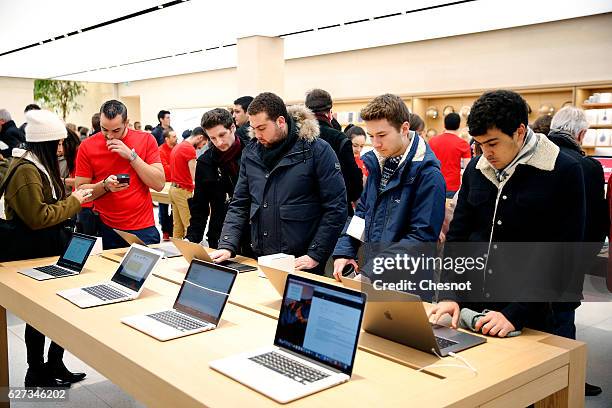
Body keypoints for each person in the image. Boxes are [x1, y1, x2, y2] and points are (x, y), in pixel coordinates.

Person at [429, 90, 586, 339]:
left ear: (520, 131)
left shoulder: (563, 170)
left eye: (493, 143)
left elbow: (564, 254)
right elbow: (458, 237)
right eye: (479, 145)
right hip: (477, 310)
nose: (486, 153)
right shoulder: (476, 169)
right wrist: (450, 293)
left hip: (537, 316)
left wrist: (516, 312)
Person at [209, 92, 347, 275]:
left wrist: (315, 253)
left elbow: (336, 207)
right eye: (253, 128)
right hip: (262, 256)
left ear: (281, 121)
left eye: (262, 128)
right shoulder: (251, 154)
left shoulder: (317, 151)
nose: (257, 135)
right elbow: (240, 203)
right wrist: (227, 244)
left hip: (302, 262)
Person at [2, 109, 91, 387]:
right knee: (39, 317)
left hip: (43, 250)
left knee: (51, 312)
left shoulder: (32, 163)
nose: (62, 149)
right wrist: (74, 201)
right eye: (58, 144)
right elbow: (37, 217)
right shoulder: (27, 171)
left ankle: (52, 365)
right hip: (33, 253)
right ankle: (37, 371)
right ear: (45, 144)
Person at [332, 94, 446, 287]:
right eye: (371, 136)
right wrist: (345, 251)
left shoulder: (429, 176)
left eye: (382, 135)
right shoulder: (379, 165)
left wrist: (373, 271)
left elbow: (421, 238)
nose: (375, 144)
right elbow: (361, 215)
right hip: (371, 277)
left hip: (406, 286)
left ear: (404, 129)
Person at [548, 106, 607, 397]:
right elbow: (596, 221)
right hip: (568, 258)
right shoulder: (588, 167)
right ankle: (568, 383)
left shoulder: (534, 157)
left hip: (528, 256)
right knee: (563, 320)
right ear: (581, 134)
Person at [75, 100, 165, 249]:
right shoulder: (87, 146)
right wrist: (105, 186)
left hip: (143, 227)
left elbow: (159, 184)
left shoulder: (146, 139)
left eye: (116, 130)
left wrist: (132, 156)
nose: (110, 136)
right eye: (104, 129)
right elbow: (81, 192)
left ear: (126, 123)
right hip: (107, 227)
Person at [186, 108, 251, 252]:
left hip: (252, 237)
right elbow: (199, 206)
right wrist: (192, 238)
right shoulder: (205, 162)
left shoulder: (252, 154)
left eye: (222, 135)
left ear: (232, 128)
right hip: (219, 236)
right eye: (213, 138)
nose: (219, 142)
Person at [305, 89, 363, 216]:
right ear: (330, 112)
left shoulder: (296, 137)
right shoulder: (339, 139)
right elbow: (354, 187)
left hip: (303, 214)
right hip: (335, 211)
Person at [168, 127, 206, 238]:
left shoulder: (179, 146)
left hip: (174, 189)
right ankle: (191, 253)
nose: (200, 147)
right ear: (200, 137)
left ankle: (177, 251)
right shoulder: (189, 149)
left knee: (178, 226)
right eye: (203, 144)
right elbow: (194, 176)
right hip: (183, 191)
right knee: (189, 225)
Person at [428, 112, 471, 198]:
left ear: (444, 124)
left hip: (433, 183)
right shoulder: (463, 143)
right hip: (453, 186)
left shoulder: (432, 141)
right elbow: (468, 168)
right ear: (459, 125)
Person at [158, 129, 178, 241]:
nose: (176, 138)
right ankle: (165, 231)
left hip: (176, 183)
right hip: (164, 184)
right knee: (163, 209)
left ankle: (173, 230)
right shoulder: (161, 150)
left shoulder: (177, 148)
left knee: (176, 209)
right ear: (167, 139)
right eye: (174, 136)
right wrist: (177, 168)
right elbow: (164, 169)